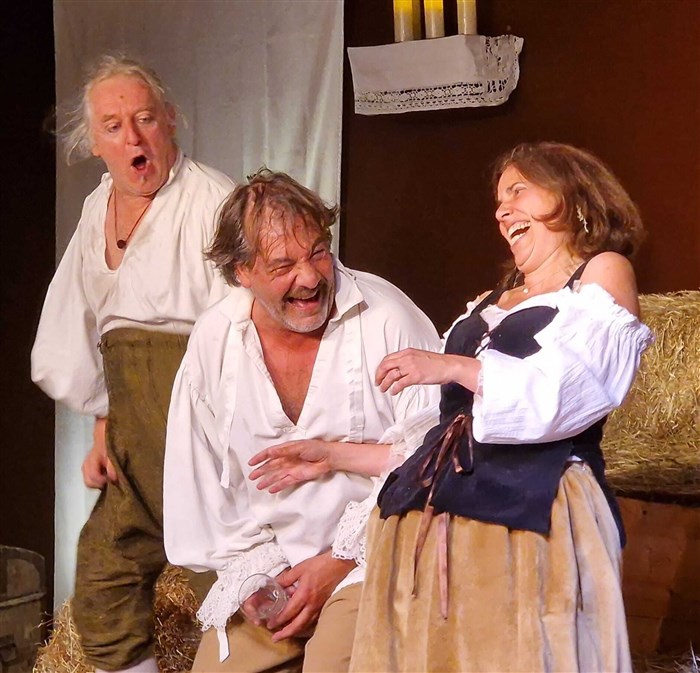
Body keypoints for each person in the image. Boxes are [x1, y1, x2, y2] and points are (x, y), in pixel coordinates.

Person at [251, 142, 654, 672]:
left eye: (518, 190)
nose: (502, 210)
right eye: (499, 200)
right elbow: (449, 438)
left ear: (572, 193)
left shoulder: (601, 273)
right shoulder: (492, 300)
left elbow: (566, 395)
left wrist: (453, 367)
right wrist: (333, 455)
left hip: (527, 515)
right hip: (443, 524)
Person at [162, 169, 442, 673]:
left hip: (378, 557)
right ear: (242, 273)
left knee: (331, 662)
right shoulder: (215, 340)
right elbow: (204, 480)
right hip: (278, 567)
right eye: (283, 265)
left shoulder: (386, 317)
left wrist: (339, 561)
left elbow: (435, 458)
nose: (310, 278)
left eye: (318, 253)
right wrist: (252, 577)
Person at [31, 55, 235, 673]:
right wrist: (104, 423)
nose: (134, 138)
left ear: (170, 120)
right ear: (95, 143)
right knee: (105, 578)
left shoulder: (214, 199)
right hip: (132, 420)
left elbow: (248, 325)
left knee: (230, 573)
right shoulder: (98, 206)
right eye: (114, 126)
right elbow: (88, 319)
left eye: (145, 119)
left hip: (199, 412)